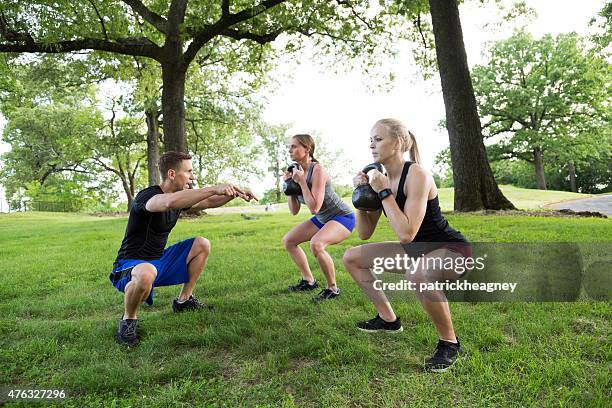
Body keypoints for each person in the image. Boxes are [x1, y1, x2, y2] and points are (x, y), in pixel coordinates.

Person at [343, 119, 471, 372]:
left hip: (450, 250)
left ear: (398, 142)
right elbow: (364, 233)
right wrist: (360, 195)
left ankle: (450, 343)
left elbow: (407, 233)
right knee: (352, 257)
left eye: (378, 139)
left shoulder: (417, 175)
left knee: (418, 274)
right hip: (417, 251)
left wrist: (384, 193)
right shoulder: (380, 180)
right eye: (370, 140)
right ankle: (388, 320)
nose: (371, 145)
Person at [110, 151, 257, 346]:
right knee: (146, 272)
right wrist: (214, 188)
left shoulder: (180, 200)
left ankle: (184, 301)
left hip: (159, 260)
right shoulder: (148, 196)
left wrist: (235, 194)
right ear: (171, 174)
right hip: (130, 265)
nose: (192, 176)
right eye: (188, 172)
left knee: (201, 243)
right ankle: (129, 320)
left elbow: (207, 202)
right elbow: (167, 202)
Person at [282, 134, 355, 302]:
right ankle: (309, 281)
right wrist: (289, 188)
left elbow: (314, 207)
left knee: (317, 244)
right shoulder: (296, 173)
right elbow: (294, 211)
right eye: (290, 146)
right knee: (289, 241)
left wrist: (301, 183)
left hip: (342, 217)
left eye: (294, 146)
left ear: (307, 149)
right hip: (323, 219)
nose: (290, 150)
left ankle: (333, 289)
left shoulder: (318, 170)